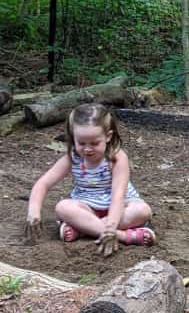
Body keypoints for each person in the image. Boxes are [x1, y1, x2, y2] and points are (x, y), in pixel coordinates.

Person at [25, 103, 155, 255]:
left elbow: (118, 197)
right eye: (81, 143)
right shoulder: (73, 158)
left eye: (94, 143)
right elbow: (43, 183)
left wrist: (112, 225)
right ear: (73, 138)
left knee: (142, 210)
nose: (87, 149)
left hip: (119, 208)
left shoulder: (117, 158)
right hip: (88, 208)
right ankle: (125, 236)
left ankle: (84, 230)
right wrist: (33, 211)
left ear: (108, 136)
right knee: (63, 207)